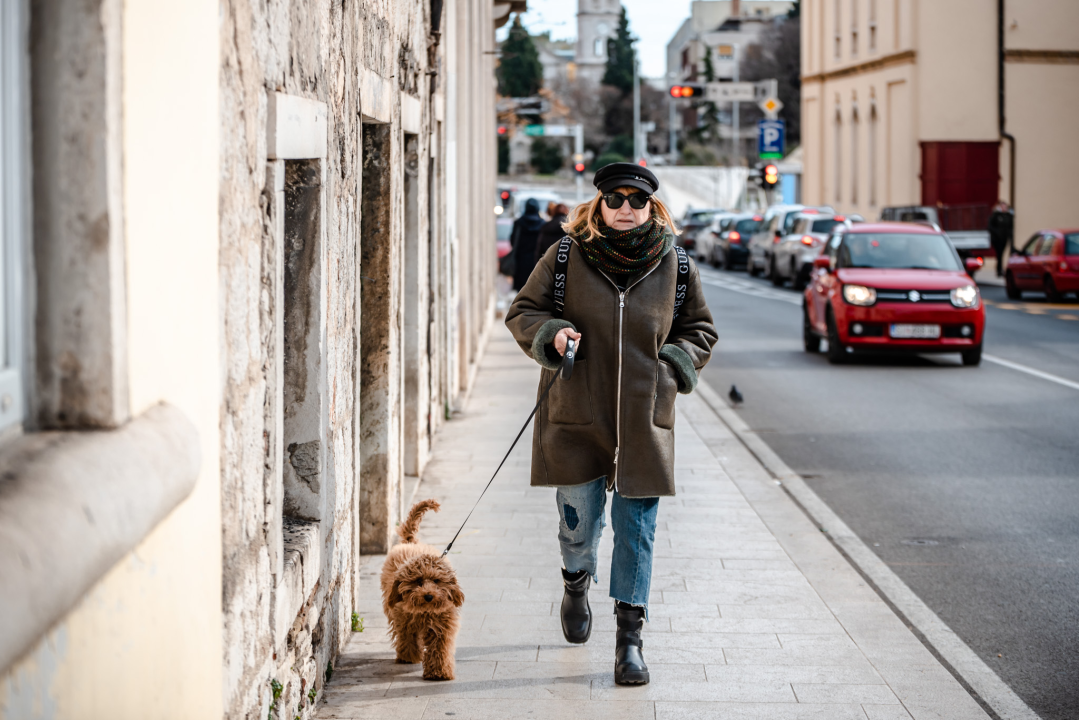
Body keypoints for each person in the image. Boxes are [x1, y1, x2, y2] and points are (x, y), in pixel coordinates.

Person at [505, 163, 717, 685]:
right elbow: (523, 311)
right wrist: (551, 333)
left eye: (636, 200)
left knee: (636, 531)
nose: (626, 208)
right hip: (576, 412)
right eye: (616, 198)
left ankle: (629, 640)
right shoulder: (565, 255)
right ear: (599, 203)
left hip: (645, 419)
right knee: (579, 524)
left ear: (651, 206)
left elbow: (700, 330)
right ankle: (576, 582)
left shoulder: (676, 264)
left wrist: (671, 368)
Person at [510, 198, 545, 291]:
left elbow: (513, 241)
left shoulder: (518, 223)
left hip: (520, 261)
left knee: (521, 291)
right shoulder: (543, 224)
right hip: (537, 261)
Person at [988, 200, 1014, 277]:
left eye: (1005, 206)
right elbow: (990, 226)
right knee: (999, 254)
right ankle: (999, 270)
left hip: (1004, 238)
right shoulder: (996, 215)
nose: (1004, 208)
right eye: (1002, 206)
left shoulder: (1008, 216)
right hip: (996, 239)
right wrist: (997, 234)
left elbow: (1010, 227)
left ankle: (999, 269)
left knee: (1001, 254)